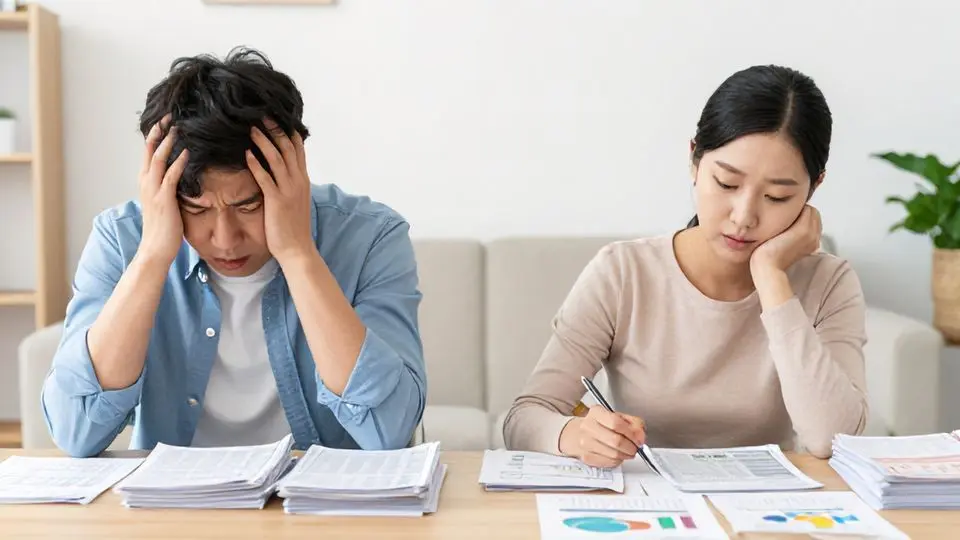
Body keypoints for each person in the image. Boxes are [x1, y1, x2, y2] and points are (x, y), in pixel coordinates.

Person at [42, 48, 427, 458]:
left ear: (294, 171)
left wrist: (297, 254)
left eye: (248, 206)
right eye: (197, 209)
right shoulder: (121, 239)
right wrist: (154, 255)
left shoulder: (371, 237)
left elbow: (388, 429)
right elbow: (75, 430)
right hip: (171, 508)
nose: (225, 240)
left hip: (324, 512)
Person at [503, 65, 867, 464]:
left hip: (766, 512)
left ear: (814, 189)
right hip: (646, 506)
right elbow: (524, 418)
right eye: (727, 184)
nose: (744, 216)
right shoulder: (624, 272)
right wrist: (573, 434)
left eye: (777, 197)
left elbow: (833, 440)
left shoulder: (829, 282)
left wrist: (771, 277)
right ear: (694, 160)